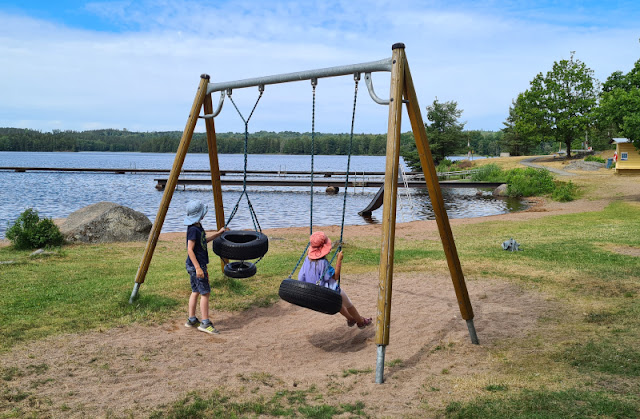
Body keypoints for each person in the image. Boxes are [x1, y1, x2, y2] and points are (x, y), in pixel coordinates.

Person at [298, 231, 372, 328]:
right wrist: (339, 260)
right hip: (327, 292)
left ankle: (350, 319)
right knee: (348, 304)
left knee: (339, 305)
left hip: (312, 293)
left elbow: (300, 277)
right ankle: (361, 322)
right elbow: (335, 277)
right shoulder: (323, 263)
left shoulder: (306, 260)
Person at [183, 199, 226, 334]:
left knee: (195, 291)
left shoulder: (198, 227)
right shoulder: (193, 230)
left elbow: (203, 241)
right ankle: (205, 323)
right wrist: (198, 268)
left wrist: (218, 234)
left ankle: (191, 319)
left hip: (194, 266)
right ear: (200, 214)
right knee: (205, 293)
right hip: (197, 266)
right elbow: (190, 249)